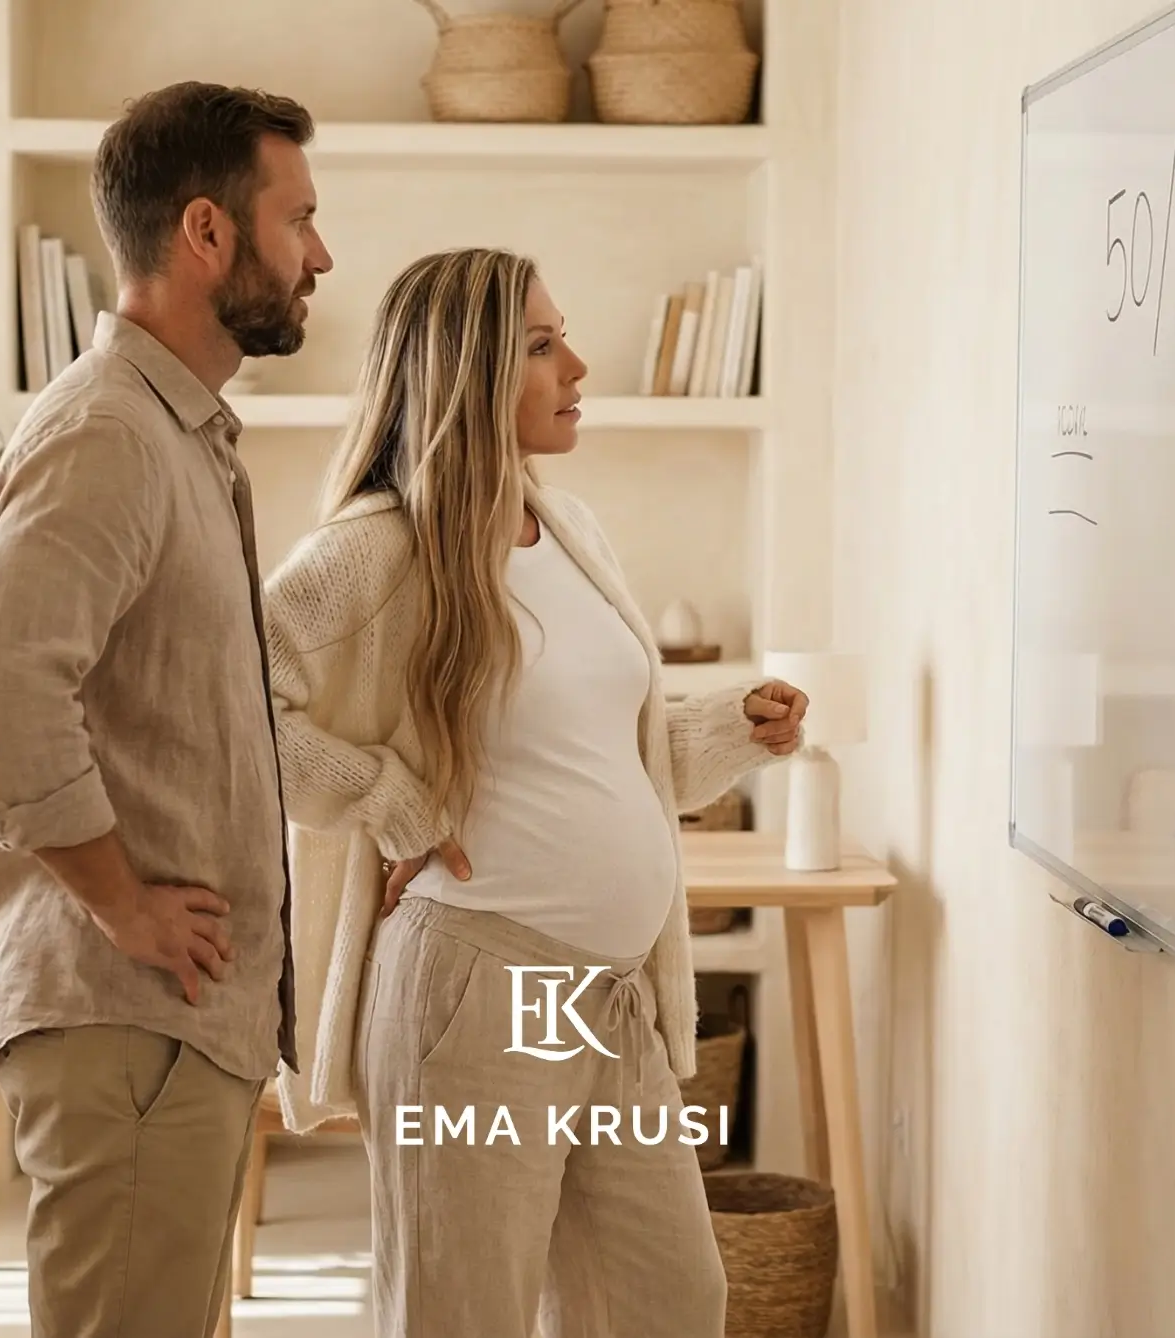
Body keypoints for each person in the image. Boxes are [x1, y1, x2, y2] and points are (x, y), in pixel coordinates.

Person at [261, 247, 810, 1337]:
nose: (579, 366)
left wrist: (729, 731)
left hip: (607, 1001)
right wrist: (389, 799)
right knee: (466, 1312)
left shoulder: (569, 529)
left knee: (668, 1298)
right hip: (477, 989)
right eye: (544, 344)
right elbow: (233, 703)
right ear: (468, 369)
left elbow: (607, 753)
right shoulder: (382, 547)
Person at [0, 81, 332, 1338]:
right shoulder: (110, 431)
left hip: (168, 1028)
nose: (321, 255)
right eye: (300, 221)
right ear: (208, 233)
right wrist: (122, 904)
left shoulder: (180, 435)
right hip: (125, 1021)